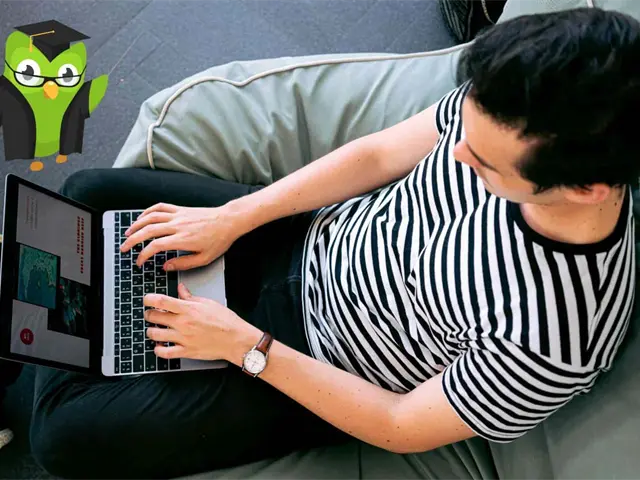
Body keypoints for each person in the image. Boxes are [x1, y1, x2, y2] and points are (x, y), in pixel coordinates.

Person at [29, 7, 639, 480]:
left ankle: (30, 335)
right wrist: (234, 218)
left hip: (309, 362)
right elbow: (378, 154)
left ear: (584, 189)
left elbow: (398, 424)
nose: (456, 154)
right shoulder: (515, 97)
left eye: (483, 164)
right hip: (308, 236)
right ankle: (44, 326)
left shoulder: (552, 342)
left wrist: (244, 346)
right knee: (91, 194)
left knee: (60, 437)